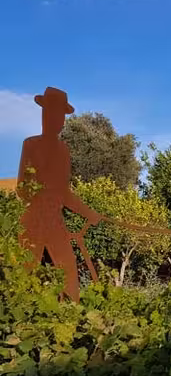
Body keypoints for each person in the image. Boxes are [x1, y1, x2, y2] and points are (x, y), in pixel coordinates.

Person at [17, 87, 102, 303]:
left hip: (55, 223)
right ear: (45, 115)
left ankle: (71, 321)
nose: (58, 120)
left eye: (61, 116)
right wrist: (41, 197)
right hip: (32, 222)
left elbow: (64, 193)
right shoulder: (31, 144)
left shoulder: (62, 150)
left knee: (68, 272)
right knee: (24, 275)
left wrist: (89, 213)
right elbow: (22, 187)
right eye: (53, 114)